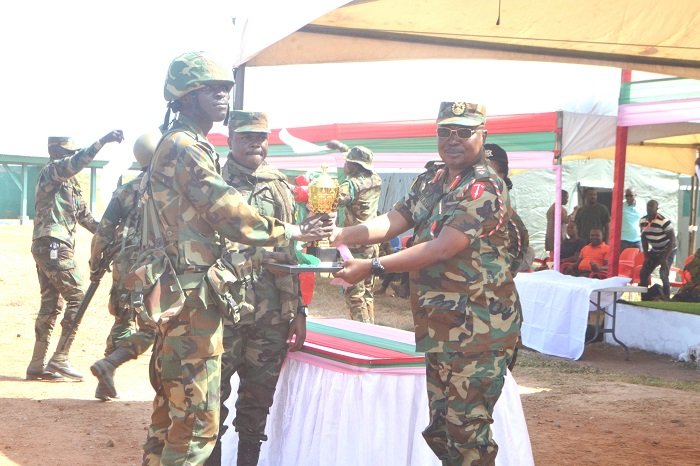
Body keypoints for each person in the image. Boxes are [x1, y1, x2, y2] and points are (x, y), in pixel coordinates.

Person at [141, 52, 332, 466]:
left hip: (190, 293)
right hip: (194, 299)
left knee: (173, 414)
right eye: (212, 89)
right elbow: (228, 213)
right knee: (197, 422)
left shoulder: (182, 144)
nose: (223, 95)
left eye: (225, 88)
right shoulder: (186, 147)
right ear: (186, 96)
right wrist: (293, 231)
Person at [332, 101, 520, 465]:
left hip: (480, 328)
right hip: (442, 323)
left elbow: (442, 247)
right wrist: (341, 233)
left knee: (467, 433)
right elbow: (396, 219)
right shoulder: (433, 179)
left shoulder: (484, 187)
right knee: (442, 429)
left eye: (464, 132)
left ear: (483, 136)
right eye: (445, 131)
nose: (453, 139)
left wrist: (371, 266)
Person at [206, 111, 307, 466]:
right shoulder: (213, 183)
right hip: (223, 312)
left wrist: (299, 310)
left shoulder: (279, 185)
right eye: (246, 137)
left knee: (257, 405)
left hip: (270, 317)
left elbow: (292, 253)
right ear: (230, 140)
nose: (255, 144)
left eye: (260, 137)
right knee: (210, 405)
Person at [27, 130, 124, 381]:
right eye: (68, 154)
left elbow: (86, 218)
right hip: (52, 244)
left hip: (52, 245)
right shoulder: (51, 171)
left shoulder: (70, 185)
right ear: (56, 153)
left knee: (52, 304)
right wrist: (102, 142)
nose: (71, 158)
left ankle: (37, 364)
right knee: (77, 298)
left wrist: (112, 231)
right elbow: (77, 162)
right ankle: (60, 357)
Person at [89, 131, 161, 401]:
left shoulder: (125, 191)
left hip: (124, 263)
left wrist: (95, 263)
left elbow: (103, 233)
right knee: (153, 326)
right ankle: (111, 363)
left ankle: (104, 380)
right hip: (154, 267)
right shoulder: (169, 190)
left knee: (123, 318)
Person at [336, 146, 382, 323]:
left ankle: (361, 330)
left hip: (354, 246)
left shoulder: (352, 185)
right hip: (372, 242)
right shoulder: (376, 179)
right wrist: (342, 148)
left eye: (347, 162)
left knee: (354, 294)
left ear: (354, 165)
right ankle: (371, 329)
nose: (344, 165)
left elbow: (333, 200)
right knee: (367, 292)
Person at [485, 143, 531, 274]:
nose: (482, 178)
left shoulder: (509, 220)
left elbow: (507, 268)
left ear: (503, 175)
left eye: (491, 172)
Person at [639, 199, 675, 299]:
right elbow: (644, 238)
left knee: (663, 273)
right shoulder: (643, 221)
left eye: (652, 207)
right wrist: (646, 255)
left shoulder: (663, 221)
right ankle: (644, 298)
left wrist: (665, 258)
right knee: (643, 273)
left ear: (657, 209)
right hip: (655, 250)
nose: (649, 209)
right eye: (648, 206)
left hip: (668, 249)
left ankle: (667, 298)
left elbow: (672, 240)